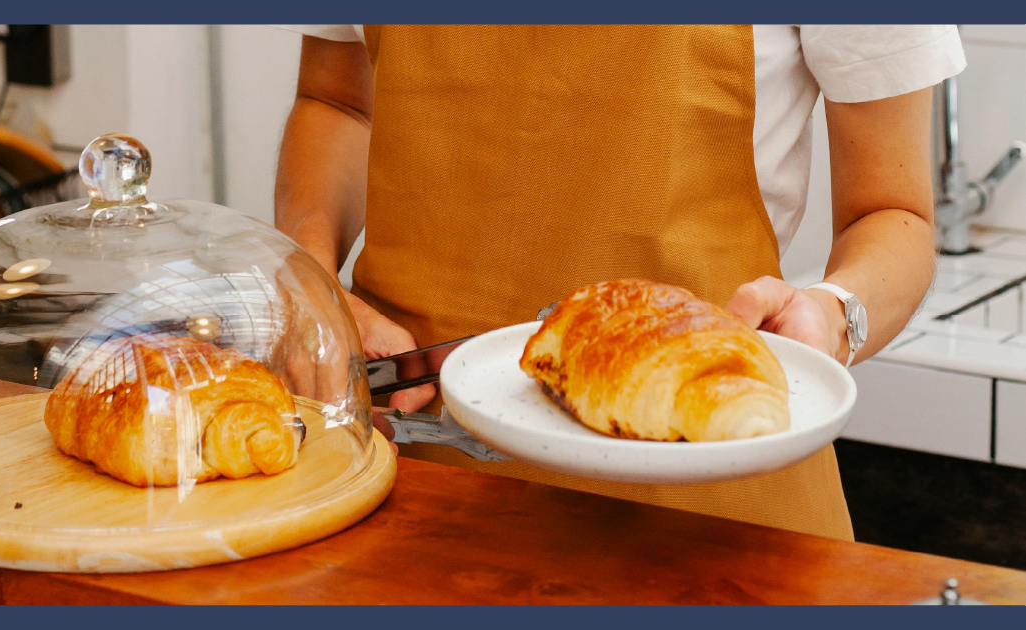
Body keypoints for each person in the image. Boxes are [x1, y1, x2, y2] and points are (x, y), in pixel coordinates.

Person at [273, 25, 966, 540]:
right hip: (414, 469)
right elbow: (337, 102)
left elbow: (891, 213)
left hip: (707, 501)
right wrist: (310, 286)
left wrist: (834, 316)